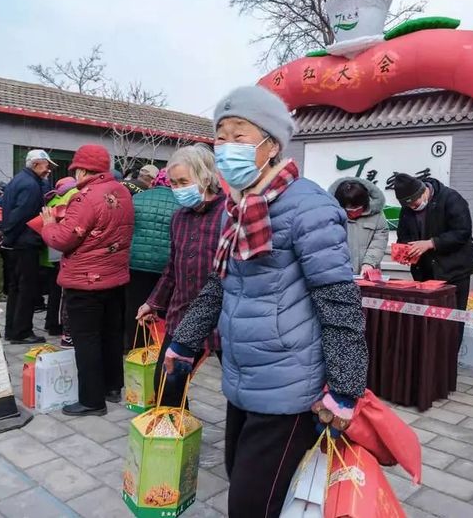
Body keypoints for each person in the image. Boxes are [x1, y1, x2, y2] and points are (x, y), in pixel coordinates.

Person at [163, 86, 368, 517]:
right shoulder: (237, 208)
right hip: (242, 380)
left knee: (251, 504)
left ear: (271, 145)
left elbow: (339, 302)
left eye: (240, 136)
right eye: (221, 137)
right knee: (240, 479)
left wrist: (345, 390)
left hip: (290, 390)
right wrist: (183, 343)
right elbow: (221, 284)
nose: (226, 148)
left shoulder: (308, 206)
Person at [41, 144, 133, 416]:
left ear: (81, 169)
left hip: (85, 281)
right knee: (111, 334)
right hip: (115, 277)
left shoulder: (84, 198)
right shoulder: (122, 192)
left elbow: (62, 239)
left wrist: (48, 224)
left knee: (87, 340)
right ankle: (112, 387)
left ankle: (92, 400)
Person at [136, 145, 226, 407]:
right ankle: (175, 440)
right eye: (174, 183)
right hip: (182, 315)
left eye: (183, 182)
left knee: (239, 392)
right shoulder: (179, 218)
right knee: (166, 385)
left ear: (206, 177)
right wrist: (153, 302)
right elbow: (172, 268)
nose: (177, 189)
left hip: (223, 319)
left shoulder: (229, 215)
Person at [393, 172, 473, 312]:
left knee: (453, 320)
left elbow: (462, 232)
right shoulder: (407, 209)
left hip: (454, 272)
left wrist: (431, 243)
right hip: (424, 273)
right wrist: (405, 251)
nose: (414, 207)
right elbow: (403, 235)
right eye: (410, 206)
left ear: (423, 191)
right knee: (427, 322)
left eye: (416, 203)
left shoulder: (451, 198)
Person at [0, 149, 55, 344]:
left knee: (15, 289)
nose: (48, 170)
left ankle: (12, 329)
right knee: (26, 289)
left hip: (17, 242)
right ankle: (21, 331)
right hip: (25, 242)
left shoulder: (18, 180)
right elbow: (21, 215)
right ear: (36, 164)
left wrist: (6, 234)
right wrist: (9, 235)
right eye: (46, 165)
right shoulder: (31, 185)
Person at [124, 168, 178, 351]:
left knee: (135, 305)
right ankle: (158, 346)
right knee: (163, 307)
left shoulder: (137, 199)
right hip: (167, 266)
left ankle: (135, 345)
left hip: (136, 262)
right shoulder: (181, 203)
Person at [41, 177, 79, 346]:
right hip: (64, 247)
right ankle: (63, 328)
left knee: (54, 290)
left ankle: (51, 323)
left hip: (51, 247)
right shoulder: (74, 194)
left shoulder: (53, 197)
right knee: (63, 292)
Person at [328, 177, 389, 275]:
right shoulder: (331, 215)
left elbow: (378, 243)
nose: (353, 213)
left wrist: (369, 263)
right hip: (337, 274)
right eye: (349, 210)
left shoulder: (377, 216)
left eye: (357, 209)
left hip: (367, 274)